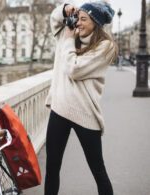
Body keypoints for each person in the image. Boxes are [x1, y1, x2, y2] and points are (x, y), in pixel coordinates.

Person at [44, 1, 118, 195]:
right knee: (52, 167)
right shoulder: (67, 33)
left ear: (96, 22)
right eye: (78, 18)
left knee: (97, 170)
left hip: (85, 112)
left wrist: (68, 39)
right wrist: (66, 8)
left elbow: (74, 69)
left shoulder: (106, 46)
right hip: (60, 108)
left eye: (84, 19)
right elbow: (54, 18)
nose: (78, 23)